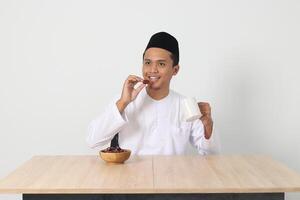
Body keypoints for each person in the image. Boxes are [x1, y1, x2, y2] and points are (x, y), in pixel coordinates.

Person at [87, 32, 216, 155]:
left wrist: (208, 126)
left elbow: (212, 156)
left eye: (161, 64)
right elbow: (93, 140)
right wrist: (123, 102)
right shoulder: (124, 101)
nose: (152, 70)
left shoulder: (186, 105)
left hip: (173, 176)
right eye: (148, 63)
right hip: (130, 175)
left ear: (175, 70)